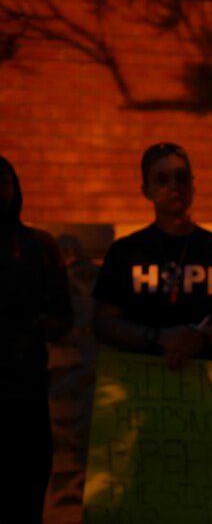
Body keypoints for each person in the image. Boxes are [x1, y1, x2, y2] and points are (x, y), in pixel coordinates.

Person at [92, 142, 212, 370]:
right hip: (141, 380)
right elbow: (103, 324)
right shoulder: (125, 252)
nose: (173, 186)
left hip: (204, 379)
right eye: (162, 179)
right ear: (146, 190)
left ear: (193, 184)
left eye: (181, 177)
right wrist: (158, 337)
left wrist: (199, 338)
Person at [0, 155, 73, 523]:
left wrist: (46, 325)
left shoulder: (38, 246)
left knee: (26, 499)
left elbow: (63, 316)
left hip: (26, 397)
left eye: (2, 182)